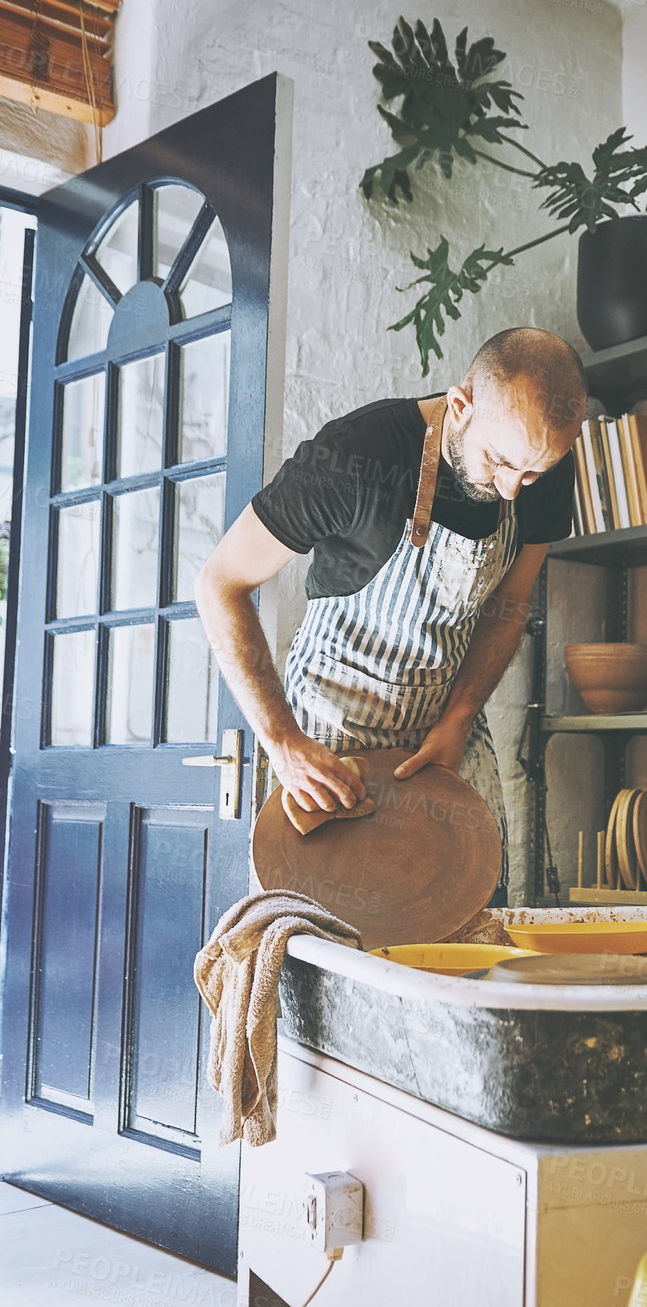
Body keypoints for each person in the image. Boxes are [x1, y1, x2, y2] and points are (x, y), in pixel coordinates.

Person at [195, 326, 586, 900]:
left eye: (532, 473)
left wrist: (460, 718)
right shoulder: (356, 454)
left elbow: (508, 607)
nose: (511, 489)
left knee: (469, 929)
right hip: (328, 735)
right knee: (329, 942)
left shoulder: (542, 469)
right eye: (498, 461)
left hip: (443, 733)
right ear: (461, 406)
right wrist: (281, 741)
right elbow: (219, 584)